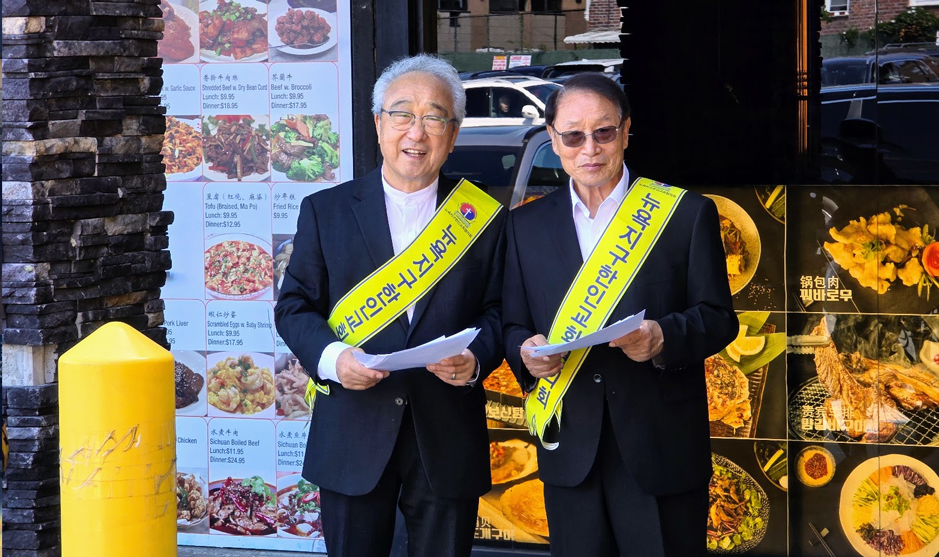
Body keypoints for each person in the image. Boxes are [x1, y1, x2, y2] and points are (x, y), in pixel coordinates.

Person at [274, 54, 507, 557]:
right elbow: (293, 306)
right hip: (353, 429)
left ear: (453, 133)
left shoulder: (482, 217)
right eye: (402, 114)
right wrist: (335, 359)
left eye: (434, 118)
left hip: (446, 433)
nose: (416, 133)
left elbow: (499, 310)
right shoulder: (327, 210)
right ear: (379, 124)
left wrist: (475, 359)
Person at [501, 73, 738, 556]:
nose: (589, 149)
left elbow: (718, 317)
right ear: (553, 140)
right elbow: (512, 324)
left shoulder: (683, 213)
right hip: (569, 446)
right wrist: (524, 351)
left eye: (603, 132)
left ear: (627, 131)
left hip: (661, 447)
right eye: (573, 136)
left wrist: (662, 337)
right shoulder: (525, 225)